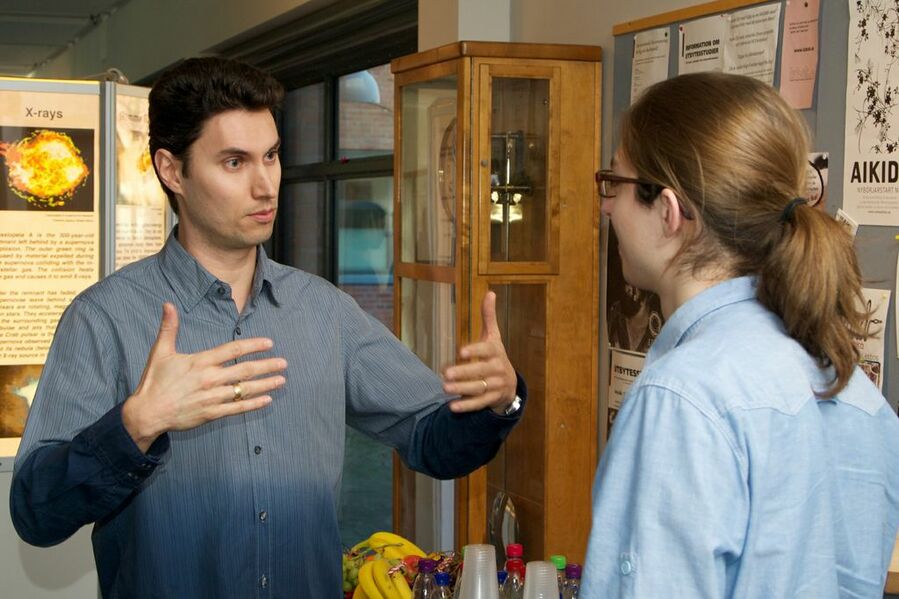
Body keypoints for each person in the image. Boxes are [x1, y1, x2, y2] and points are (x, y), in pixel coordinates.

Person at [10, 57, 525, 598]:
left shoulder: (324, 311)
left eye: (271, 156)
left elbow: (433, 442)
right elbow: (35, 514)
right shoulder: (103, 318)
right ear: (171, 170)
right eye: (234, 162)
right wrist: (136, 425)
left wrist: (497, 403)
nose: (265, 186)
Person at [583, 72, 899, 597]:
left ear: (669, 212)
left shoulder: (682, 397)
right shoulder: (858, 395)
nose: (606, 205)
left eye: (613, 182)